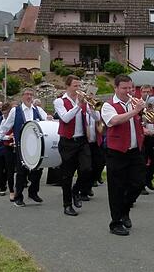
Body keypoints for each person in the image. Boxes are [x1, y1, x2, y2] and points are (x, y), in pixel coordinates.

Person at [100, 74, 147, 236]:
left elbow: (140, 122)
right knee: (116, 188)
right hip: (116, 152)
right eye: (125, 88)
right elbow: (114, 121)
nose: (129, 91)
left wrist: (142, 114)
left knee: (139, 183)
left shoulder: (134, 103)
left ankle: (125, 210)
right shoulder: (108, 105)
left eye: (131, 88)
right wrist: (135, 111)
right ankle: (116, 222)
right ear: (116, 88)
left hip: (135, 151)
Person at [0, 88, 48, 207]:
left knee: (37, 171)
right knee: (22, 172)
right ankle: (18, 197)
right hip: (21, 146)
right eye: (27, 94)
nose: (29, 97)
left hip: (36, 147)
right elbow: (5, 127)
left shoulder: (38, 110)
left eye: (31, 95)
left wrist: (50, 119)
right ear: (22, 96)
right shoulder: (15, 111)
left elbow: (47, 122)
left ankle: (33, 193)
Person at [53, 75, 93, 216]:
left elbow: (95, 117)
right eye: (75, 86)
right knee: (67, 175)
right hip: (67, 142)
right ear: (68, 86)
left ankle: (75, 191)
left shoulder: (82, 101)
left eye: (79, 86)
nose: (78, 89)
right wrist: (78, 105)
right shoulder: (59, 101)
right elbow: (65, 118)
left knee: (87, 169)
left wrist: (92, 108)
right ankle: (67, 205)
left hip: (82, 141)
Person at [139, 84, 154, 194]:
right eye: (145, 92)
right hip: (142, 135)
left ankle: (148, 178)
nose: (147, 94)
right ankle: (141, 185)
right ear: (141, 92)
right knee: (142, 160)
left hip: (153, 135)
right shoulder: (137, 103)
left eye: (149, 92)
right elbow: (137, 120)